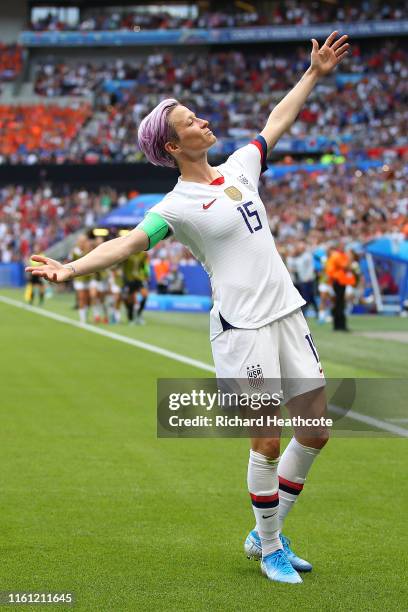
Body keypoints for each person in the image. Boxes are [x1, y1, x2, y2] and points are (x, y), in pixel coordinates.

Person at [26, 31, 349, 585]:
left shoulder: (241, 168)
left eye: (198, 116)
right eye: (191, 122)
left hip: (287, 314)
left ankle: (263, 531)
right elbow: (126, 244)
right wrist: (71, 267)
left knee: (315, 432)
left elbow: (275, 121)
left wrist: (314, 74)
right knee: (267, 442)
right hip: (241, 328)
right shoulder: (176, 207)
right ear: (174, 147)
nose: (203, 122)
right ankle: (270, 546)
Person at [122, 251, 150, 324]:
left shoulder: (143, 254)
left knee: (145, 295)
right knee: (130, 299)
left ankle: (139, 314)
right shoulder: (128, 253)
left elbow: (143, 265)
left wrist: (146, 274)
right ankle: (130, 318)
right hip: (129, 279)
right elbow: (123, 266)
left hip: (139, 278)